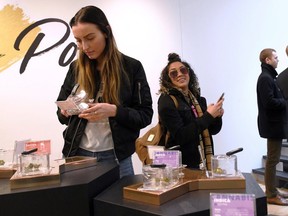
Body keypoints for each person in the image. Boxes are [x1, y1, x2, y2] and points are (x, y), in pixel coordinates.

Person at [56, 6, 153, 178]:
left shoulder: (131, 68)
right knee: (77, 205)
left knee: (117, 205)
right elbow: (60, 113)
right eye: (78, 40)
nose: (84, 46)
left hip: (116, 157)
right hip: (77, 154)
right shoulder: (75, 68)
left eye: (90, 38)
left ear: (106, 32)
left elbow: (145, 115)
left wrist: (114, 111)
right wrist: (65, 111)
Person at [157, 53, 223, 171]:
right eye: (173, 73)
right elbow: (181, 136)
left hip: (202, 161)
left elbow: (212, 130)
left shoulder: (197, 98)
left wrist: (216, 116)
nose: (180, 74)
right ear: (168, 79)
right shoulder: (166, 101)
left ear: (189, 73)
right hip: (180, 166)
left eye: (183, 70)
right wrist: (208, 116)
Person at [257, 48, 288, 205]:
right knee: (272, 160)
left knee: (272, 159)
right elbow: (269, 102)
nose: (278, 60)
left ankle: (273, 191)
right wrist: (285, 102)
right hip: (272, 126)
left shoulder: (269, 77)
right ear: (267, 60)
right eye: (275, 57)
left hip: (273, 125)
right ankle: (271, 194)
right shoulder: (265, 78)